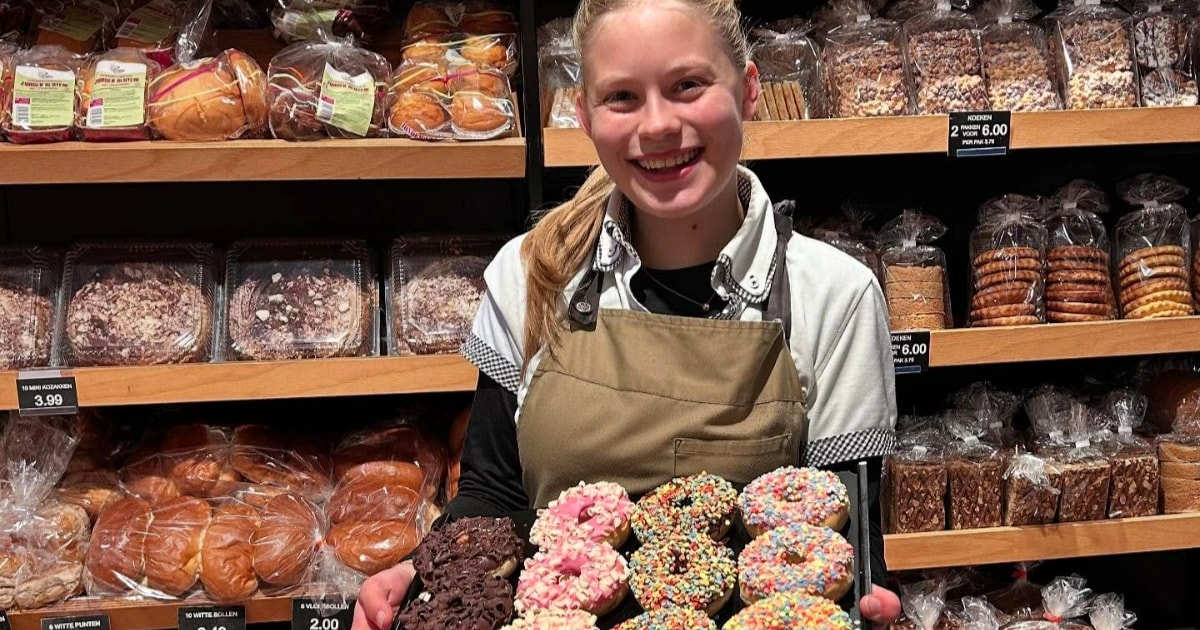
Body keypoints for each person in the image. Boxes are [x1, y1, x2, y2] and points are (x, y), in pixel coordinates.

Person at [354, 0, 902, 626]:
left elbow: (843, 540)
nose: (659, 125)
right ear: (583, 115)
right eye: (622, 97)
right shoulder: (533, 272)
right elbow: (493, 494)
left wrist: (868, 603)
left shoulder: (835, 297)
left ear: (748, 90)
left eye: (687, 85)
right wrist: (425, 572)